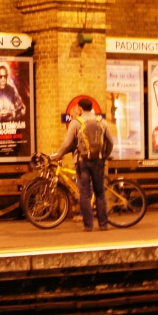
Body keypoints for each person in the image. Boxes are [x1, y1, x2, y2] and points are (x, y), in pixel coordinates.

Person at [51, 97, 115, 232]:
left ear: (80, 108)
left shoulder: (76, 123)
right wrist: (104, 156)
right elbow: (110, 142)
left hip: (82, 162)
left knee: (84, 194)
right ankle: (103, 224)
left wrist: (59, 155)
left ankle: (88, 225)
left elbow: (68, 143)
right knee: (100, 193)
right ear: (91, 107)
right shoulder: (102, 122)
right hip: (98, 161)